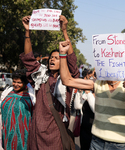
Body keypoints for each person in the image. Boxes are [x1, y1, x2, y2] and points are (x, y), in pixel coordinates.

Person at [59, 41, 125, 150]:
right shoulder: (97, 83)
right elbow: (67, 80)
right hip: (96, 142)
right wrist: (62, 54)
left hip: (118, 145)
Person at [20, 15, 79, 149]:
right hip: (37, 129)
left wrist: (64, 31)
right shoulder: (41, 76)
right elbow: (29, 59)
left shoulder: (67, 80)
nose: (52, 59)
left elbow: (72, 60)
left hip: (56, 130)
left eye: (57, 58)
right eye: (51, 57)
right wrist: (27, 31)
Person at [0, 70, 34, 150]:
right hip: (8, 132)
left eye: (19, 82)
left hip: (24, 135)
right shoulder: (7, 93)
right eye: (14, 82)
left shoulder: (31, 96)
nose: (15, 84)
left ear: (25, 83)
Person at [74, 69, 95, 150]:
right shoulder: (87, 94)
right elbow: (77, 106)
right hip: (84, 128)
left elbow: (95, 109)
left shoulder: (99, 96)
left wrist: (88, 93)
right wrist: (79, 93)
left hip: (95, 130)